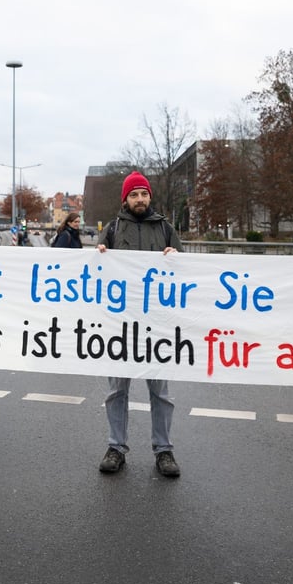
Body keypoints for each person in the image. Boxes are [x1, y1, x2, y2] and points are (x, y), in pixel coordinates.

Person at [96, 171, 184, 477]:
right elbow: (95, 273)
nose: (140, 199)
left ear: (150, 197)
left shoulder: (165, 228)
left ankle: (164, 451)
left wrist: (177, 257)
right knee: (116, 390)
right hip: (120, 324)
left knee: (160, 392)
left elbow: (185, 270)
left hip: (156, 325)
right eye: (134, 195)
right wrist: (99, 255)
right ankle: (115, 447)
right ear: (125, 199)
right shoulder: (112, 229)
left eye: (144, 194)